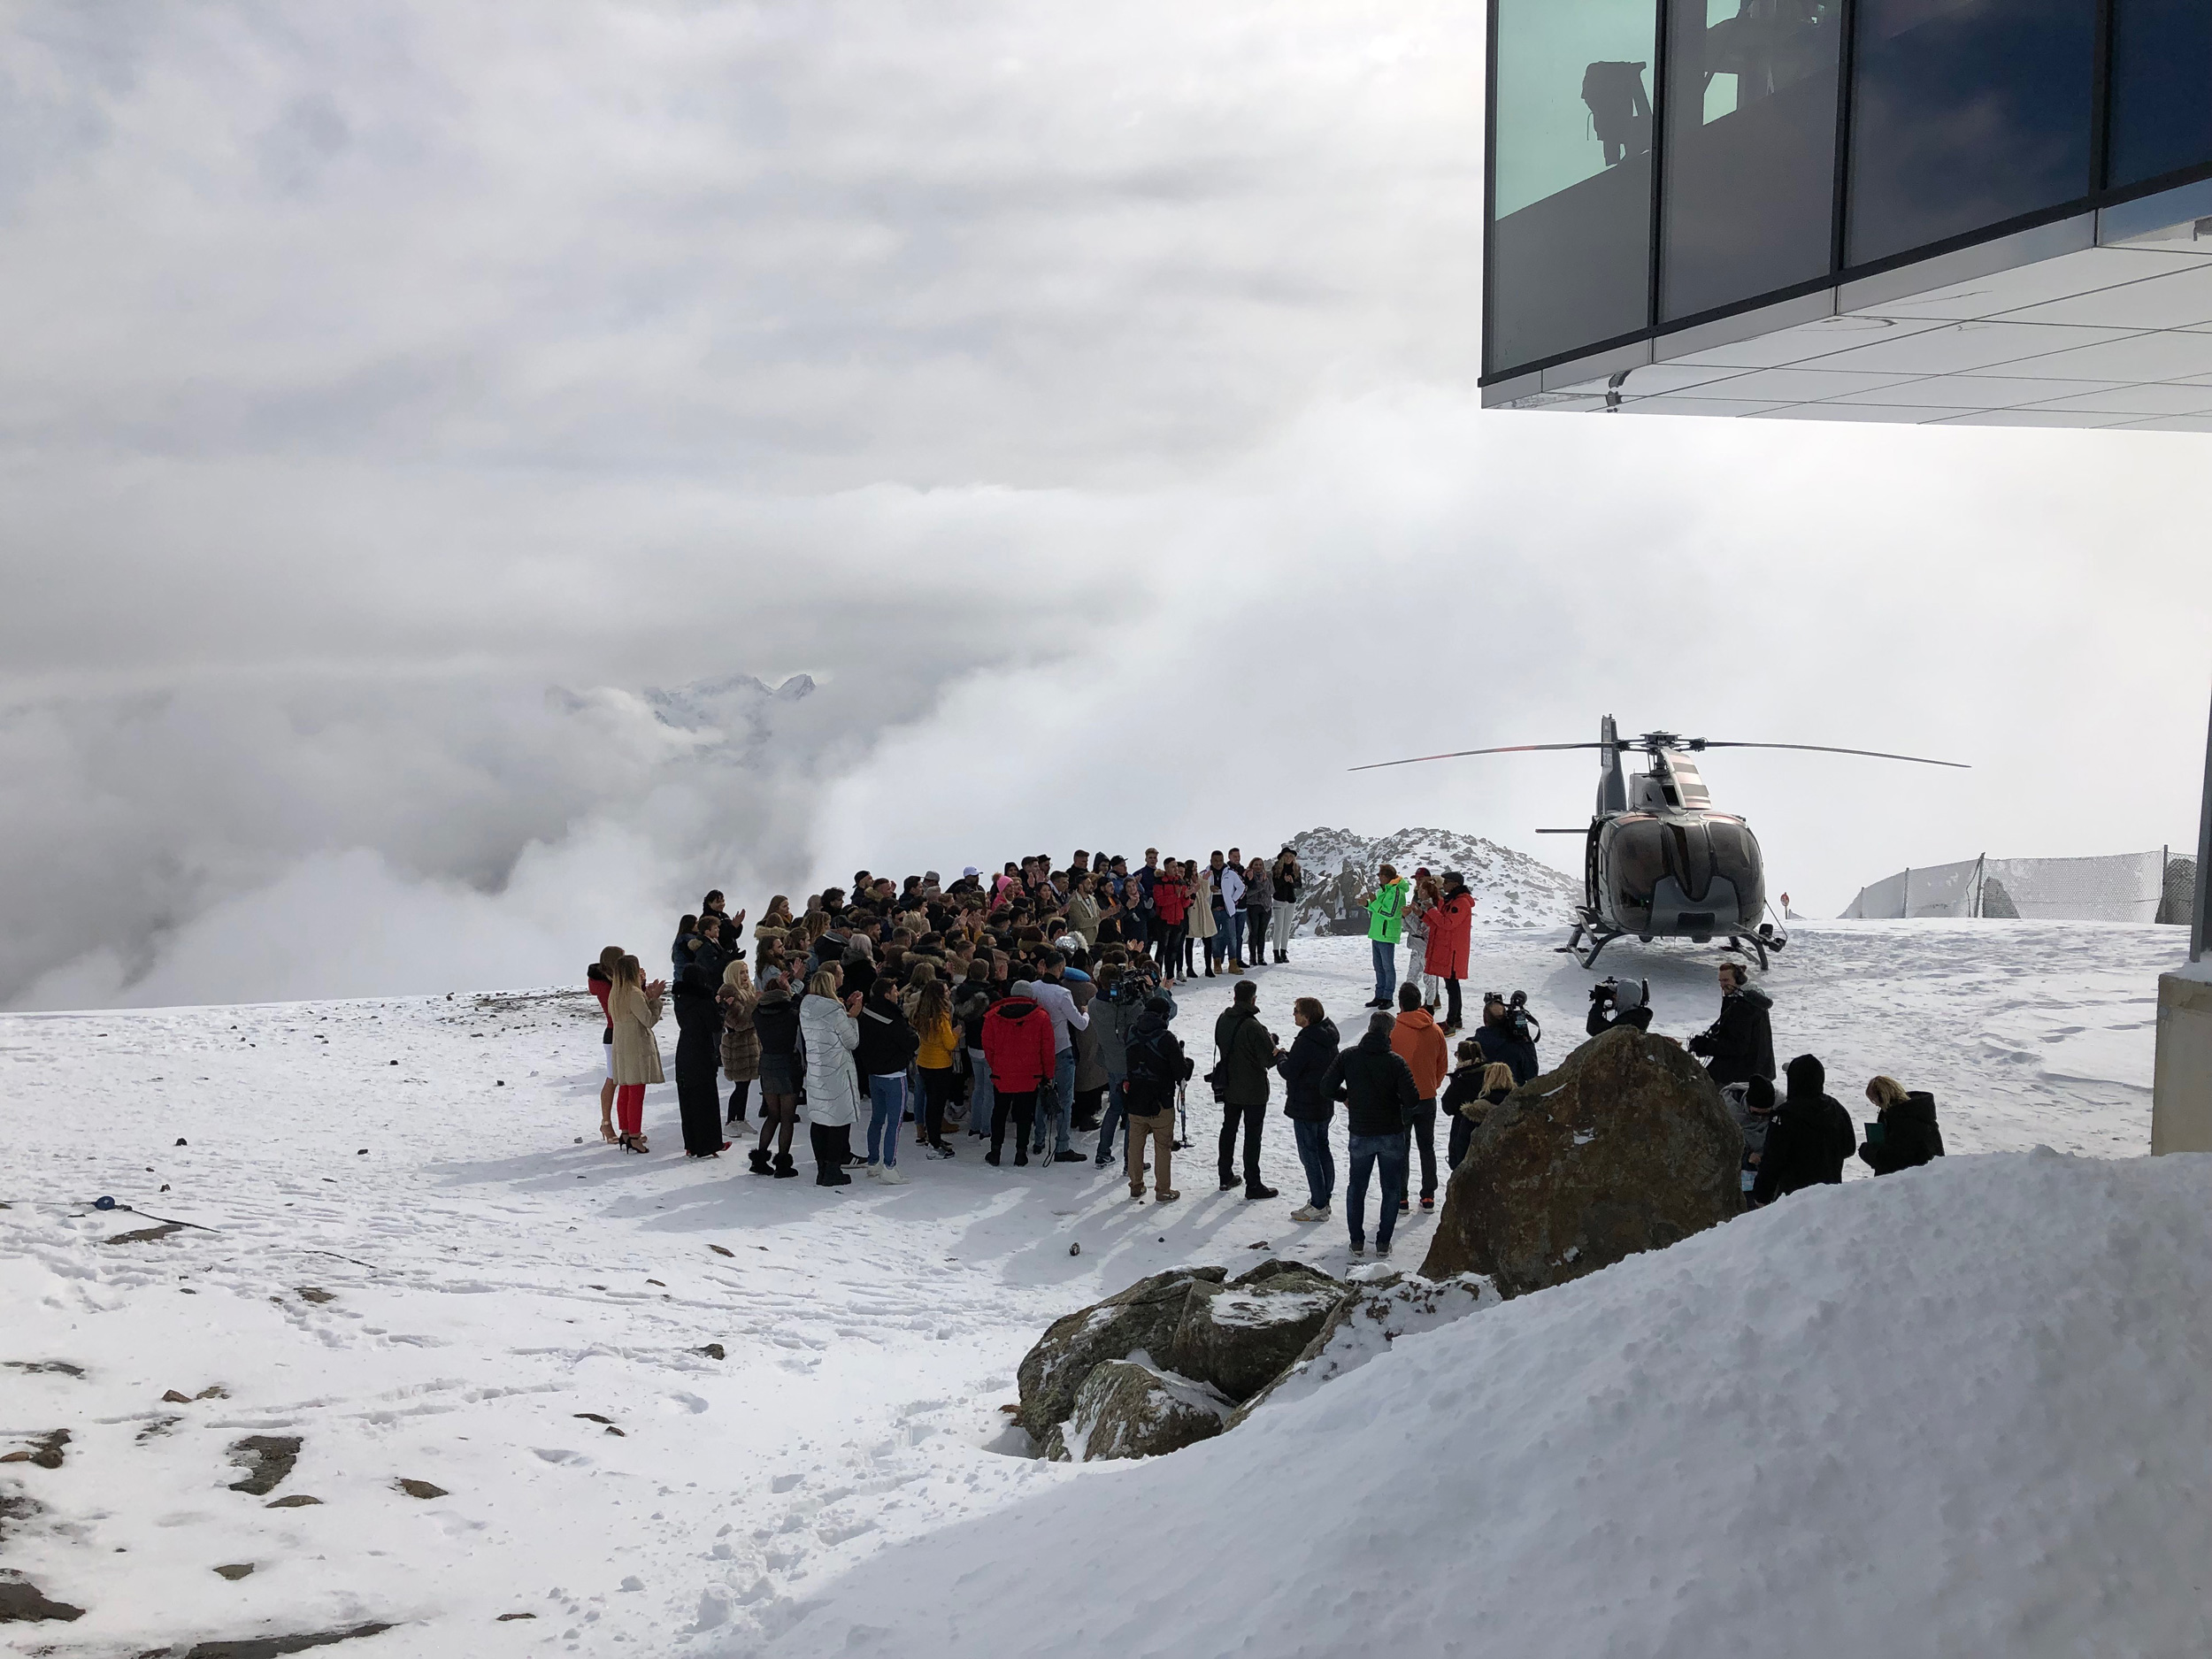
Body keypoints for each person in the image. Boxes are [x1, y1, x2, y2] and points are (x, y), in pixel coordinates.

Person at [1319, 1010, 1418, 1258]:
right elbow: (1412, 1099)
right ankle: (1383, 1242)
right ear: (1390, 1032)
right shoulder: (1396, 1062)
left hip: (1361, 1131)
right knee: (1391, 1188)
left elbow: (1326, 1086)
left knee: (1357, 1187)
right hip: (1391, 1132)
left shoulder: (1349, 1056)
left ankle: (1356, 1242)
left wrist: (1345, 1097)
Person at [1751, 1054, 1855, 1204]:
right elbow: (1849, 1148)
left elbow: (1773, 1161)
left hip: (1794, 1198)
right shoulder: (1835, 1108)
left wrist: (1761, 1196)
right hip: (1830, 1193)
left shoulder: (1785, 1116)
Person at [1212, 979, 1280, 1199]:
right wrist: (1272, 1043)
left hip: (1229, 1084)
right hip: (1253, 1089)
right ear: (1253, 999)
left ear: (1234, 997)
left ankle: (1225, 1175)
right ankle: (1253, 1183)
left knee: (1228, 1130)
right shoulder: (1253, 1026)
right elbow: (1268, 1060)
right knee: (1252, 1136)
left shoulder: (1223, 1019)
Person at [980, 980, 1056, 1167]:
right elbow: (1047, 1049)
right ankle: (1021, 1153)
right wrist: (1048, 1074)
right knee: (1025, 1115)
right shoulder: (1041, 1017)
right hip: (1030, 1075)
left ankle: (995, 1151)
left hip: (1002, 1074)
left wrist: (996, 1066)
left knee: (999, 1113)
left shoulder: (992, 1016)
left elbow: (988, 1047)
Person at [1278, 995, 1340, 1221]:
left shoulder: (1305, 1041)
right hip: (1324, 1103)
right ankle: (1325, 1197)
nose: (1293, 1014)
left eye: (1296, 1011)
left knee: (1309, 1154)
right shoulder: (1329, 1037)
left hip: (1305, 1105)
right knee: (1323, 1148)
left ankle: (1318, 1202)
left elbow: (1290, 1071)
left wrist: (1282, 1058)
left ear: (1307, 1016)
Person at [1026, 950, 1091, 1163]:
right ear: (1061, 968)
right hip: (1061, 1049)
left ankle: (1038, 1140)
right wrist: (1086, 1011)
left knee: (1041, 1096)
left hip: (1038, 1050)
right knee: (1065, 1099)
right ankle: (1062, 1144)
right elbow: (1080, 1024)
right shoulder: (1062, 994)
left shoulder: (1032, 989)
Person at [799, 967, 863, 1187]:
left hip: (816, 1071)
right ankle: (833, 1169)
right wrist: (852, 1017)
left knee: (819, 1121)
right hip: (836, 1073)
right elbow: (851, 1042)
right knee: (839, 1121)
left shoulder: (806, 1007)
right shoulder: (835, 1011)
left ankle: (822, 1168)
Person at [1390, 982, 1449, 1210]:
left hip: (1400, 1099)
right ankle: (1428, 1195)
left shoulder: (1394, 1030)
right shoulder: (1434, 1030)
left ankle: (1401, 1196)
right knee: (1427, 1147)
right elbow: (1442, 1065)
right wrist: (1431, 1084)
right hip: (1427, 1097)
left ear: (1401, 1003)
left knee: (1401, 1148)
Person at [1122, 994, 1186, 1202]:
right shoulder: (1166, 1038)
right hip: (1161, 1100)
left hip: (1135, 1097)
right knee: (1163, 1146)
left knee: (1135, 1144)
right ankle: (1163, 1190)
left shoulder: (1131, 1032)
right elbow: (1180, 1072)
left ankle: (1136, 1185)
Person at [855, 977, 918, 1183]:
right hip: (894, 1075)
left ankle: (873, 1163)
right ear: (887, 994)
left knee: (876, 1119)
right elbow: (909, 1042)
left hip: (874, 1073)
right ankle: (890, 1166)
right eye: (895, 990)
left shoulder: (866, 1012)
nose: (898, 993)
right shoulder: (894, 1017)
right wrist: (916, 1037)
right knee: (895, 1123)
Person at [607, 954, 667, 1154]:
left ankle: (625, 1132)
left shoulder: (616, 993)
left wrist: (647, 996)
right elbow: (648, 1020)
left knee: (625, 1089)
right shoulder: (633, 993)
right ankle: (634, 1136)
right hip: (636, 1046)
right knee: (636, 1093)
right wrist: (655, 1000)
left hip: (621, 1045)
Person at [672, 957, 730, 1157]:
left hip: (684, 1050)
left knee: (687, 1100)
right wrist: (722, 1007)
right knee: (706, 1099)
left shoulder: (680, 999)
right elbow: (715, 1025)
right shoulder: (704, 1001)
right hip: (701, 1052)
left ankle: (691, 1144)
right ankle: (710, 1144)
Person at [749, 968, 803, 1177]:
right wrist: (792, 991)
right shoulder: (790, 1013)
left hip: (767, 1063)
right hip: (788, 1064)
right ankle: (783, 1163)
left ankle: (760, 1158)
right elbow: (800, 1005)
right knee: (787, 1117)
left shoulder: (758, 1014)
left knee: (773, 1115)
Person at [1687, 964, 1775, 1089]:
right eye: (1720, 981)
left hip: (1740, 1076)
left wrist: (1706, 1046)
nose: (1722, 985)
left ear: (1739, 980)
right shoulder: (1748, 999)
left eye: (1726, 980)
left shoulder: (1743, 1006)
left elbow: (1736, 1047)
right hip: (1755, 1071)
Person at [910, 972, 960, 1159]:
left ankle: (933, 1138)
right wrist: (956, 1033)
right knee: (936, 1106)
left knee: (930, 1103)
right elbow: (949, 1043)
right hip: (940, 1065)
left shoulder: (921, 1013)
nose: (949, 993)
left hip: (924, 1061)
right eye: (946, 991)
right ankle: (934, 1143)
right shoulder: (941, 1017)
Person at [1421, 872, 1475, 1032]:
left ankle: (1452, 1022)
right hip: (1449, 949)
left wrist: (1431, 909)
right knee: (1452, 985)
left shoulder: (1461, 903)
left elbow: (1447, 923)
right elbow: (1439, 922)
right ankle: (1456, 1019)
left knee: (1452, 986)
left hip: (1453, 951)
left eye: (1446, 883)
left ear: (1455, 884)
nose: (1443, 885)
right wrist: (1423, 914)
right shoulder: (1452, 901)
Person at [1859, 1076, 1945, 1174]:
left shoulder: (1902, 1120)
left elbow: (1893, 1158)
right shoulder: (1917, 1112)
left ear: (1883, 1097)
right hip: (1926, 1176)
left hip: (1909, 1180)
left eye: (1874, 1100)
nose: (1876, 1105)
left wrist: (1867, 1151)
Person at [1445, 1055, 1514, 1172]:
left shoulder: (1475, 1111)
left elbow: (1462, 1145)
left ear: (1487, 1079)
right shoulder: (1519, 1109)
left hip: (1478, 1172)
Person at [717, 958, 762, 1129]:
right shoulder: (729, 990)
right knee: (740, 1085)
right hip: (738, 1045)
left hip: (749, 1043)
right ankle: (731, 1121)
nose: (745, 975)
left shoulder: (747, 990)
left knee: (746, 1084)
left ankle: (740, 1119)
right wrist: (755, 1004)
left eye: (747, 971)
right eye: (741, 972)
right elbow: (739, 1021)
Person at [1720, 1074, 1776, 1208]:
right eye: (1756, 1114)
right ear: (1747, 1105)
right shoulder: (1729, 1112)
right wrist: (1747, 1154)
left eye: (1766, 1114)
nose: (1761, 1119)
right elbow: (1724, 1143)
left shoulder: (1780, 1107)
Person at [956, 962, 998, 1141]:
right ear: (987, 973)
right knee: (988, 1088)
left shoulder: (961, 992)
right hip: (989, 1046)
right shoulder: (992, 995)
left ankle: (974, 1125)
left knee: (978, 1087)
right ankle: (986, 1128)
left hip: (971, 1044)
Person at [588, 945, 622, 1143]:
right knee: (613, 1078)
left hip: (618, 1031)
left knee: (621, 1079)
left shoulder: (608, 981)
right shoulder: (604, 984)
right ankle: (607, 1123)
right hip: (614, 1032)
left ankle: (622, 1125)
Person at [1363, 864, 1409, 1009]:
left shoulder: (1396, 892)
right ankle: (1379, 995)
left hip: (1386, 935)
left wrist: (1374, 902)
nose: (1379, 878)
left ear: (1388, 877)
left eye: (1381, 875)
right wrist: (1367, 904)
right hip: (1378, 934)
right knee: (1379, 967)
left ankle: (1387, 997)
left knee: (1388, 967)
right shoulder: (1385, 890)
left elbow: (1390, 913)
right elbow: (1378, 910)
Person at [1474, 995, 1541, 1086]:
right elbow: (1531, 1075)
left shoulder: (1473, 1044)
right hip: (1512, 1094)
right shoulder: (1518, 1048)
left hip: (1482, 1093)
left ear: (1485, 1020)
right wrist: (1526, 1042)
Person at [1151, 863, 1190, 990]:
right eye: (1173, 867)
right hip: (1164, 921)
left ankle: (1170, 977)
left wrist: (1187, 895)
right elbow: (1160, 901)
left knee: (1174, 950)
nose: (1176, 869)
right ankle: (1157, 977)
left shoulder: (1180, 882)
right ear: (1166, 868)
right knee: (1162, 950)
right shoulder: (1160, 882)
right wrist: (1176, 896)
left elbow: (1184, 904)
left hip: (1178, 920)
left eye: (1176, 867)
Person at [1402, 872, 1436, 1011]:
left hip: (1426, 947)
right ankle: (1411, 1006)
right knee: (1411, 977)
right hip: (1415, 946)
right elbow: (1408, 928)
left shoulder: (1431, 907)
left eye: (1422, 887)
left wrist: (1409, 916)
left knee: (1429, 979)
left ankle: (1429, 1006)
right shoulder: (1417, 902)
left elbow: (1422, 929)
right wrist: (1404, 917)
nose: (1417, 887)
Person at [1586, 977, 1653, 1038]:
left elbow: (1594, 1028)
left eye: (1617, 995)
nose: (1614, 997)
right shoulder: (1638, 1017)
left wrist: (1599, 1003)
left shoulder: (1627, 1022)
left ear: (1625, 998)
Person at [1269, 848, 1303, 964]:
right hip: (1279, 900)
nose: (1289, 858)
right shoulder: (1276, 869)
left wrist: (1292, 881)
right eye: (1287, 856)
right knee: (1278, 928)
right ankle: (1276, 953)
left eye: (1291, 856)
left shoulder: (1296, 869)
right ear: (1282, 857)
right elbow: (1274, 886)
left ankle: (1283, 952)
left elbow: (1299, 885)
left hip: (1290, 901)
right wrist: (1284, 880)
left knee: (1286, 928)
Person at [1187, 857, 1218, 978]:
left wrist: (1205, 881)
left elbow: (1206, 894)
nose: (1195, 869)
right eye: (1193, 867)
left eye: (1196, 866)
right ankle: (1190, 968)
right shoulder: (1186, 880)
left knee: (1208, 940)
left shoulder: (1200, 878)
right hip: (1193, 911)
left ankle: (1208, 968)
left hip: (1204, 911)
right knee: (1189, 940)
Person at [1217, 855, 1248, 973]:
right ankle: (1218, 962)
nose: (1237, 858)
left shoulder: (1239, 871)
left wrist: (1233, 900)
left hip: (1234, 909)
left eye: (1239, 856)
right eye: (1234, 856)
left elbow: (1243, 887)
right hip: (1221, 909)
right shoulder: (1221, 872)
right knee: (1220, 936)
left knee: (1234, 937)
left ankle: (1234, 962)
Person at [1241, 856, 1271, 970]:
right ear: (1251, 866)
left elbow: (1271, 890)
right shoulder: (1247, 876)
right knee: (1253, 932)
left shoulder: (1267, 876)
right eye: (1256, 865)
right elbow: (1248, 892)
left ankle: (1261, 957)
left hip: (1266, 907)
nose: (1258, 867)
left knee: (1262, 933)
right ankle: (1252, 957)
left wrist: (1265, 883)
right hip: (1252, 906)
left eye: (1260, 865)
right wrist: (1261, 885)